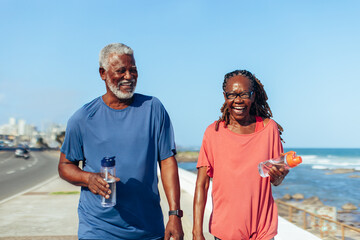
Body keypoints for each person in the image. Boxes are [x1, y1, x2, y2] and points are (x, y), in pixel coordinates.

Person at [58, 43, 184, 240]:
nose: (129, 76)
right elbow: (65, 165)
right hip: (98, 229)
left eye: (133, 70)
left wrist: (174, 214)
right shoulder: (83, 118)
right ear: (103, 73)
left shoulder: (153, 109)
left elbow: (167, 161)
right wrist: (88, 178)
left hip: (148, 229)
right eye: (121, 71)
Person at [192, 70, 289, 240]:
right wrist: (196, 231)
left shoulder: (269, 130)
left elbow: (276, 180)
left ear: (253, 96)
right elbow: (202, 185)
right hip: (224, 232)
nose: (238, 100)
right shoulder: (213, 133)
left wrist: (278, 176)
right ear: (225, 96)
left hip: (263, 232)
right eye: (232, 95)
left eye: (244, 94)